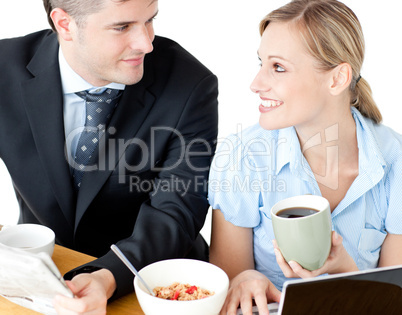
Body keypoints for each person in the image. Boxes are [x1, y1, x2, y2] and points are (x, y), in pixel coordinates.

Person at [0, 0, 218, 313]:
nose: (146, 42)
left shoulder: (191, 84)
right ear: (65, 24)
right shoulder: (4, 68)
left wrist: (110, 275)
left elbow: (177, 207)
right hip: (42, 271)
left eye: (149, 20)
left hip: (151, 282)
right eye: (122, 27)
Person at [208, 0, 402, 314]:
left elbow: (393, 304)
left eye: (278, 67)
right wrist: (243, 279)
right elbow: (226, 290)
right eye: (261, 63)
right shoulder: (241, 157)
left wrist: (343, 269)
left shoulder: (396, 162)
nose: (256, 84)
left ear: (337, 79)